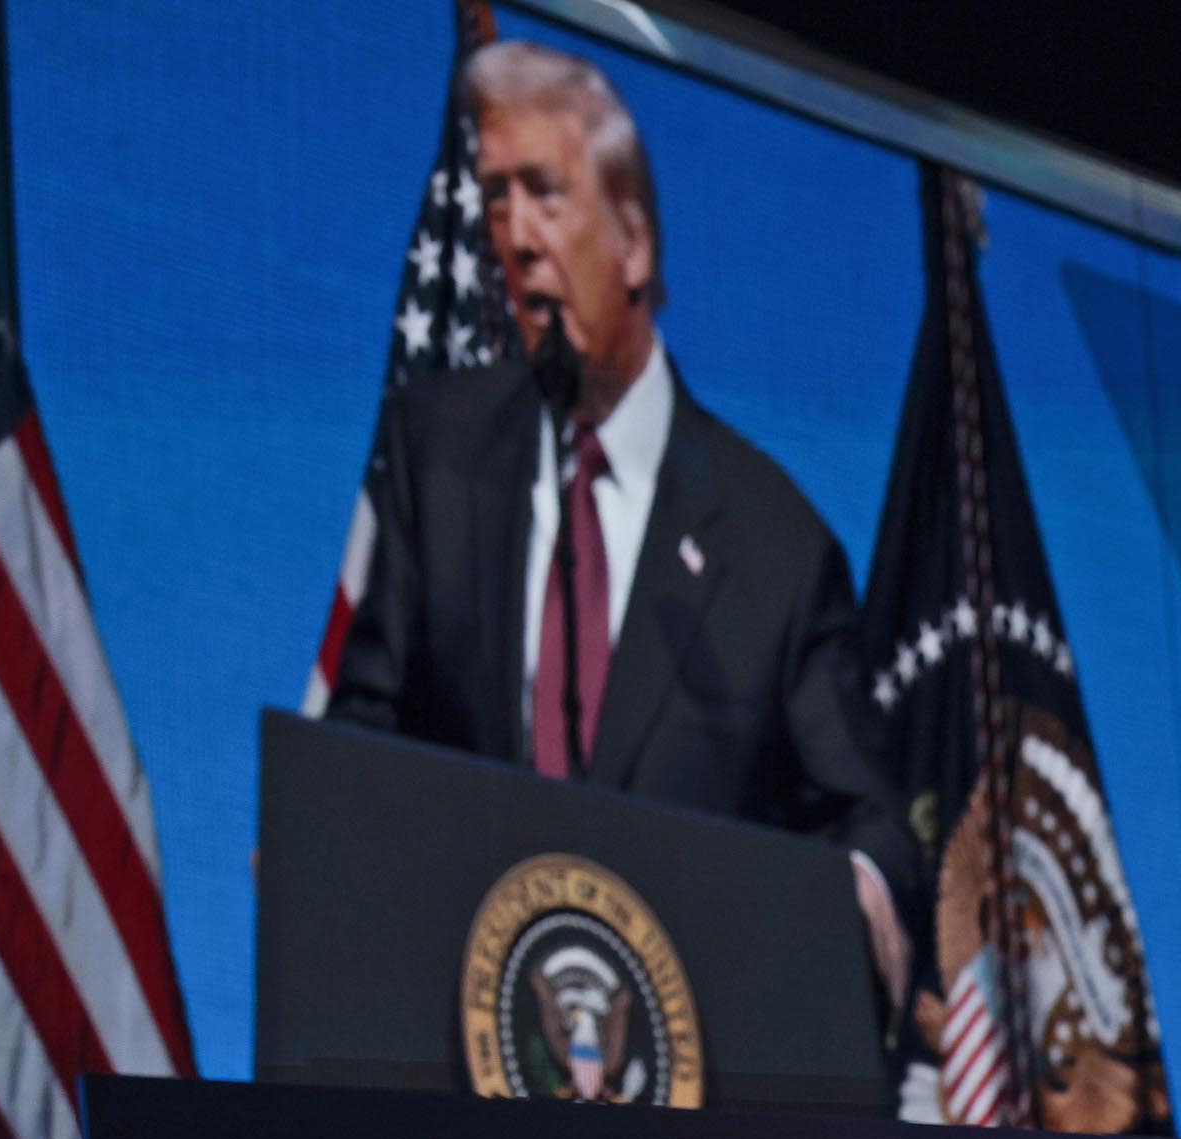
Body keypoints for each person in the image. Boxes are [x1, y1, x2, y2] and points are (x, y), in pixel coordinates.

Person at [328, 40, 913, 999]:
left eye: (544, 194)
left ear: (634, 243)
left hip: (691, 1090)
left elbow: (866, 820)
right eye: (495, 199)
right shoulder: (438, 456)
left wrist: (856, 893)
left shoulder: (775, 546)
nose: (513, 238)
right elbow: (366, 737)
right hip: (463, 1044)